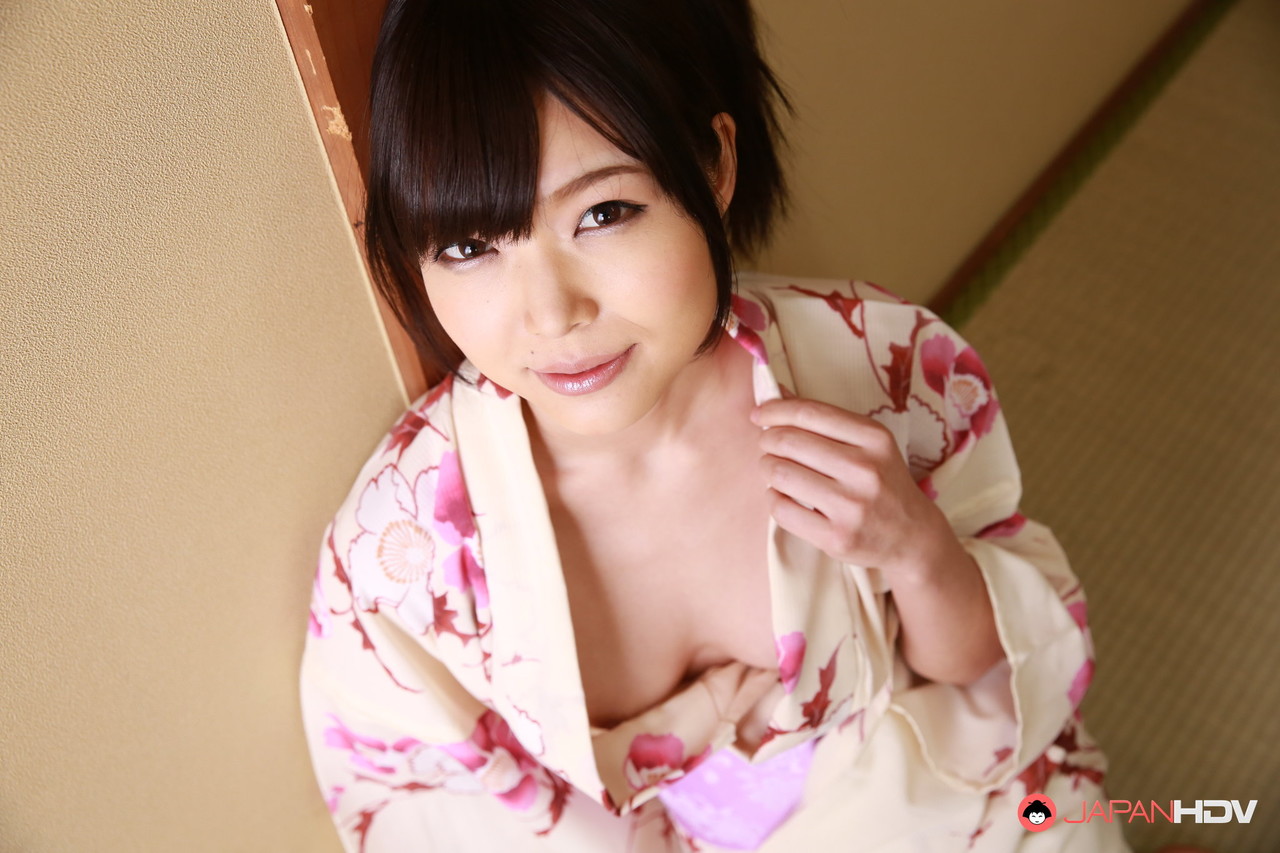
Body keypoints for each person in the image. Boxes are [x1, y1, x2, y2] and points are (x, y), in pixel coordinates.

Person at [299, 1, 1176, 850]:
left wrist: (918, 550)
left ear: (714, 165)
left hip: (946, 805)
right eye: (469, 247)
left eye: (602, 213)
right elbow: (416, 801)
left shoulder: (881, 363)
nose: (553, 314)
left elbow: (993, 669)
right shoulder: (397, 552)